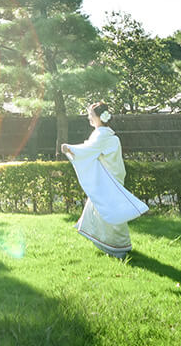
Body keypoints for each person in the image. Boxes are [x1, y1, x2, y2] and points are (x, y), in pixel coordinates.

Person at [60, 101, 148, 259]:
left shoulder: (102, 134)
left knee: (111, 212)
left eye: (91, 115)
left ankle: (118, 247)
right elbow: (91, 148)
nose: (89, 118)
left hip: (109, 179)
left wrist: (69, 148)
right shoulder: (105, 133)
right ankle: (112, 244)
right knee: (100, 208)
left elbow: (88, 150)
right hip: (111, 176)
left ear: (100, 117)